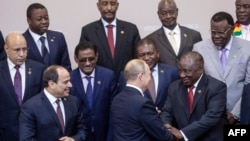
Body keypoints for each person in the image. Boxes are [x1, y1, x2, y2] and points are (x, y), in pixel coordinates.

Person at [193, 11, 250, 124]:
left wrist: (235, 113)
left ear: (232, 29)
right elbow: (197, 83)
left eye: (221, 32)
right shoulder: (199, 48)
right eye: (213, 32)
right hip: (209, 115)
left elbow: (249, 85)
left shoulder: (247, 48)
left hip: (240, 115)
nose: (216, 36)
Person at [160, 51, 228, 141]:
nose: (182, 75)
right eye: (180, 71)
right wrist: (167, 126)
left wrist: (183, 133)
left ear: (200, 69)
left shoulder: (217, 87)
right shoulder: (174, 87)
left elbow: (211, 117)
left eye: (186, 71)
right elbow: (167, 111)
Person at [20, 65, 87, 141]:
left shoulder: (73, 101)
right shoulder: (31, 107)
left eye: (69, 81)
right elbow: (26, 139)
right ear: (51, 84)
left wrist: (73, 139)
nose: (70, 85)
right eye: (65, 82)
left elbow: (82, 131)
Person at [111, 59, 173, 141]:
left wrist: (151, 113)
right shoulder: (143, 103)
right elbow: (164, 136)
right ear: (141, 76)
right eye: (149, 74)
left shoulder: (116, 99)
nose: (150, 79)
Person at [0, 32, 45, 141]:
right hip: (5, 132)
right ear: (6, 49)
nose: (22, 54)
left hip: (33, 130)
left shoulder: (39, 69)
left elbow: (43, 100)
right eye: (17, 50)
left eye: (24, 49)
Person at [79, 0, 140, 78]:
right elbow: (84, 60)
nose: (109, 8)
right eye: (104, 4)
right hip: (100, 82)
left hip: (126, 81)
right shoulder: (88, 31)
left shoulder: (131, 29)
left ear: (117, 6)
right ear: (98, 6)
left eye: (113, 4)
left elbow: (138, 59)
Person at [70, 42, 117, 141]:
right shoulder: (69, 79)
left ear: (96, 56)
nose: (87, 63)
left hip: (104, 134)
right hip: (79, 136)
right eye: (83, 60)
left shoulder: (108, 76)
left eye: (91, 59)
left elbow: (114, 110)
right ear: (76, 59)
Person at [119, 38, 179, 110]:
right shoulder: (126, 75)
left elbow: (176, 100)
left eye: (150, 54)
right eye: (142, 55)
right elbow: (125, 102)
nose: (146, 58)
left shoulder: (172, 72)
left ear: (158, 53)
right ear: (137, 57)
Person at [145, 0, 202, 67]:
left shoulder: (194, 35)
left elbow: (201, 61)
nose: (168, 16)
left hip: (190, 76)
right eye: (164, 13)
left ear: (177, 11)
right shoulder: (151, 39)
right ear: (158, 14)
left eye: (171, 12)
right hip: (166, 77)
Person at [23, 3, 71, 71]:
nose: (44, 21)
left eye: (46, 18)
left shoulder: (59, 38)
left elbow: (66, 67)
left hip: (56, 81)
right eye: (39, 19)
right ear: (29, 21)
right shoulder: (22, 40)